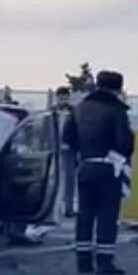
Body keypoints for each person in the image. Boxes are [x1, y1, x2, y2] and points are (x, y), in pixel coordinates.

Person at [63, 70, 134, 275]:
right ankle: (104, 261)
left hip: (85, 165)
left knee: (85, 214)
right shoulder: (117, 111)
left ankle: (83, 259)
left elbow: (68, 137)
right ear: (118, 89)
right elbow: (124, 142)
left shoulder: (79, 109)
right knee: (107, 214)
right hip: (109, 167)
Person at [54, 86, 77, 218]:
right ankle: (55, 208)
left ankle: (68, 208)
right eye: (61, 98)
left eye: (65, 98)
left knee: (69, 180)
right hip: (55, 149)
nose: (63, 101)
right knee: (55, 180)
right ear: (56, 98)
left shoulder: (73, 112)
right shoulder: (51, 113)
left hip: (69, 150)